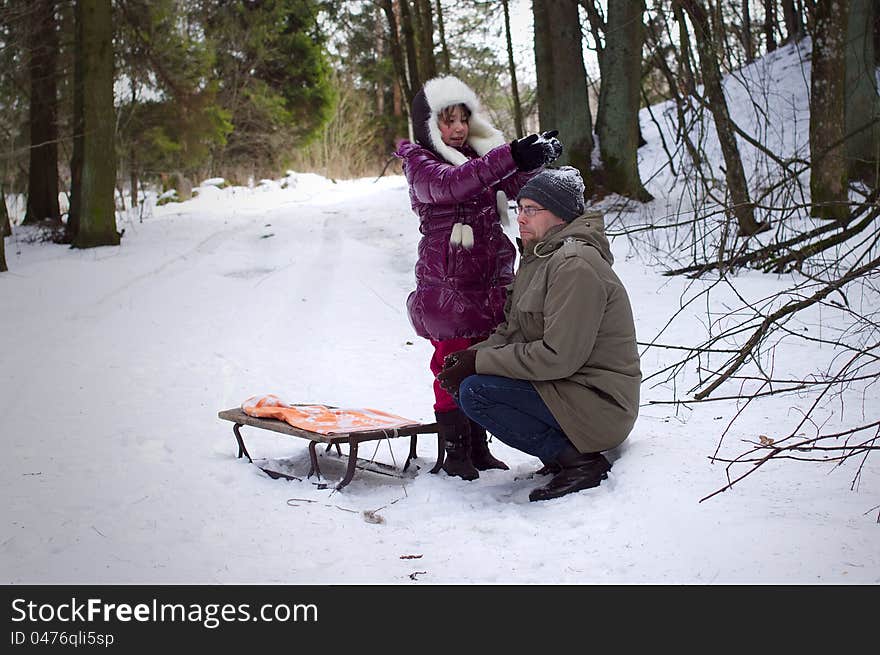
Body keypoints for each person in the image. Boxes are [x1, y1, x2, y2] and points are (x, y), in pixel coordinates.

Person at [437, 166, 641, 501]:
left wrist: (481, 362)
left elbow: (558, 357)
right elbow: (513, 331)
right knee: (466, 382)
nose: (520, 218)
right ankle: (559, 455)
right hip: (570, 390)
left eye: (531, 210)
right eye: (519, 209)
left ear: (560, 215)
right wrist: (469, 357)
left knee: (478, 391)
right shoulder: (539, 258)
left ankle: (579, 464)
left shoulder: (575, 265)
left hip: (600, 404)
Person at [394, 75, 563, 481]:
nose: (457, 129)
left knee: (481, 361)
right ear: (430, 125)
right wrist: (508, 156)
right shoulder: (421, 163)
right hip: (447, 284)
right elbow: (453, 185)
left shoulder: (479, 156)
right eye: (447, 121)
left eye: (463, 120)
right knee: (449, 365)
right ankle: (454, 452)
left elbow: (517, 184)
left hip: (488, 282)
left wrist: (535, 159)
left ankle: (477, 446)